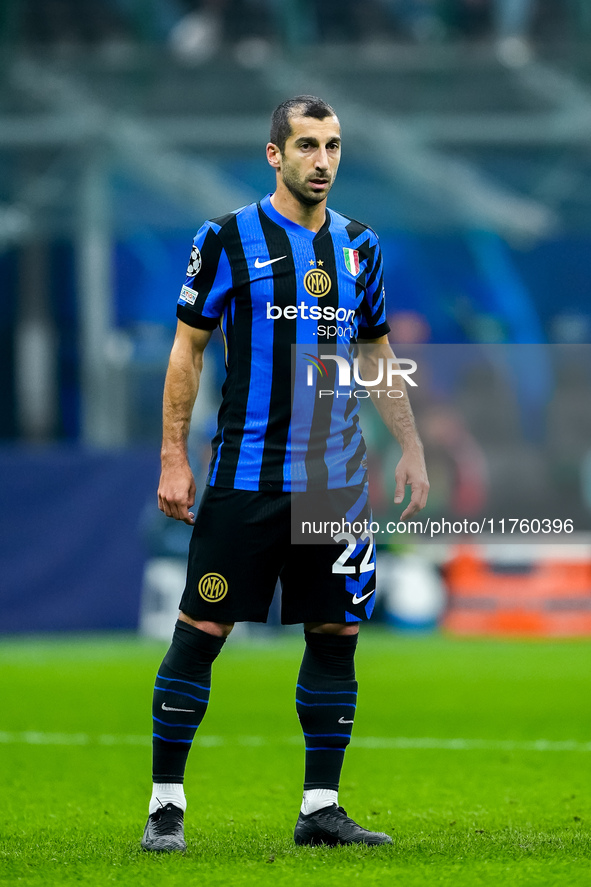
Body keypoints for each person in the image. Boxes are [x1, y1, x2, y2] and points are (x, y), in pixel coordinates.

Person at [141, 95, 429, 852]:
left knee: (334, 632)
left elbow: (375, 356)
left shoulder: (360, 247)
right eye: (307, 145)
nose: (322, 160)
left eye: (333, 145)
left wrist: (411, 444)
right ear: (275, 154)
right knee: (203, 628)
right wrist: (173, 455)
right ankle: (165, 804)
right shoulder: (227, 238)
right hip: (245, 475)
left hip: (335, 480)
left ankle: (320, 809)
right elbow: (188, 350)